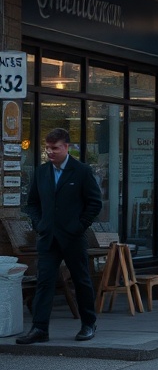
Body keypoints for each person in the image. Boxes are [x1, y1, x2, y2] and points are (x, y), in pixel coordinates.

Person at [17, 127, 102, 345]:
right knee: (44, 282)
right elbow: (32, 203)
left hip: (73, 237)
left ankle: (88, 324)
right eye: (47, 148)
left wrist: (79, 226)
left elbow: (94, 203)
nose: (50, 152)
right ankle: (39, 328)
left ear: (66, 147)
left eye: (54, 148)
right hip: (48, 238)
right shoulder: (42, 172)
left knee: (81, 280)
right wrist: (40, 225)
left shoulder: (81, 171)